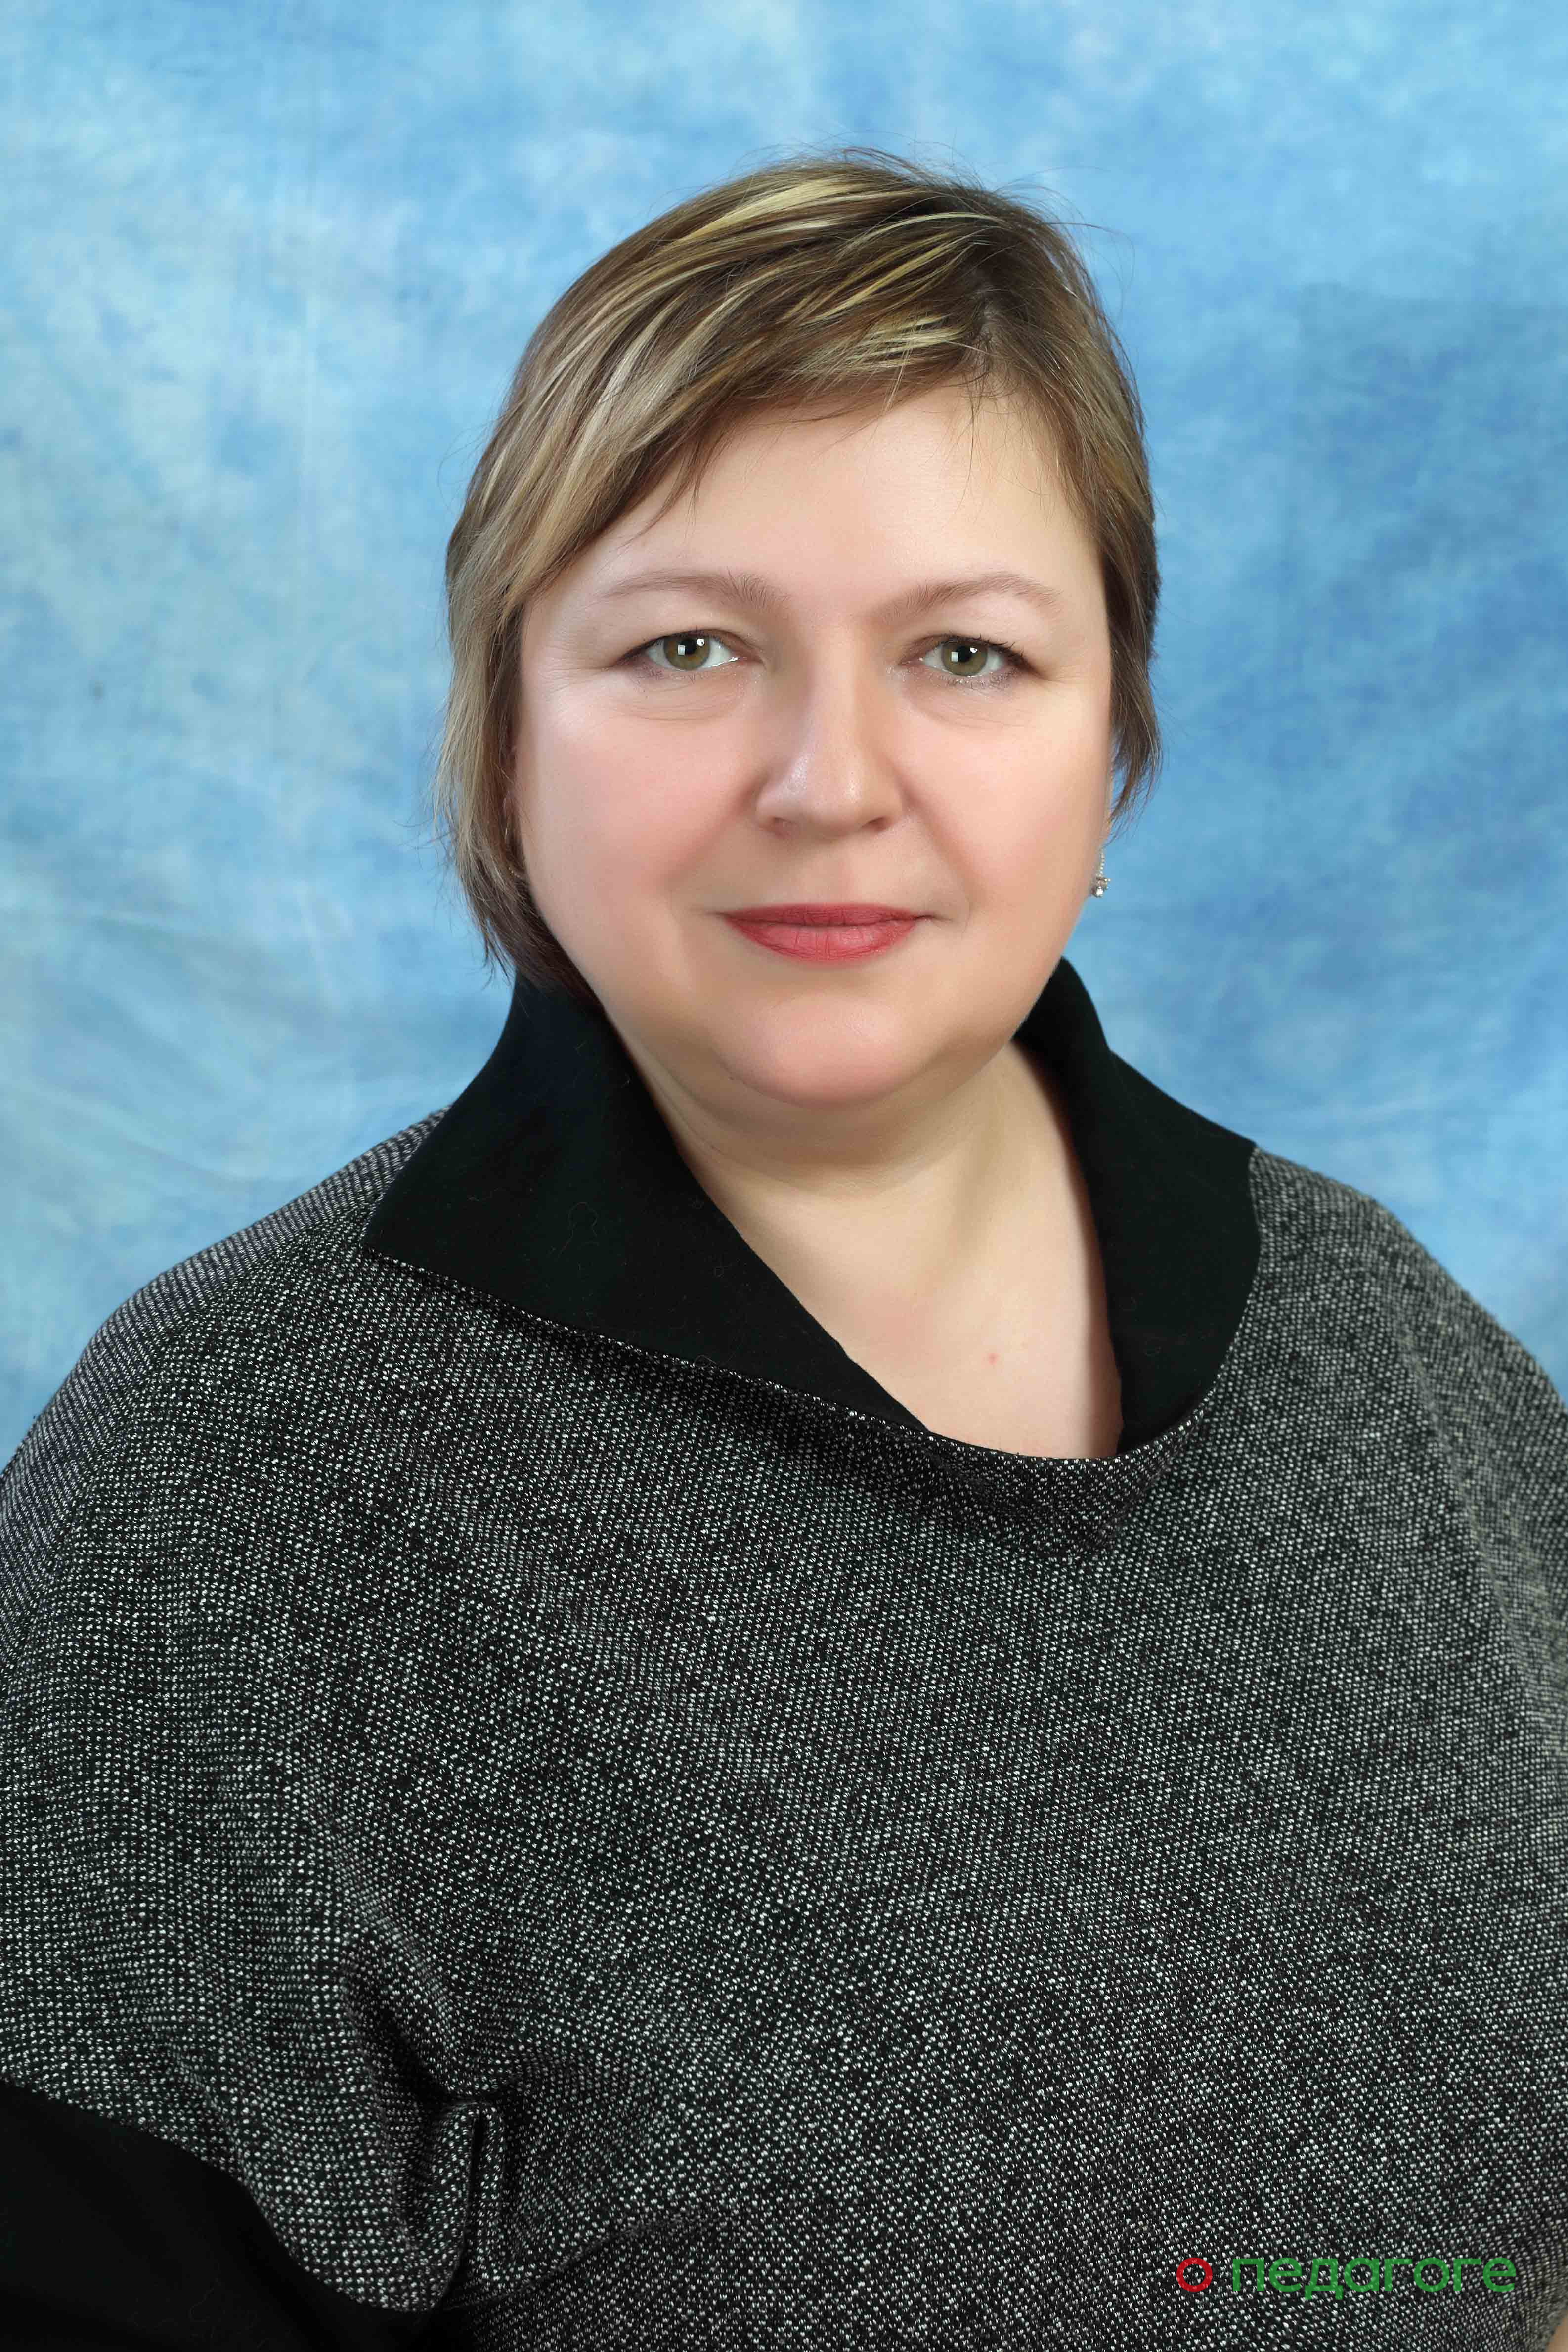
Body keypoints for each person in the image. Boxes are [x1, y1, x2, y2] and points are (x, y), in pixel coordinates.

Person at [3, 144, 1566, 2351]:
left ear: (1108, 750)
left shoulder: (1380, 1340)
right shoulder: (230, 1491)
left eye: (964, 652)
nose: (832, 779)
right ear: (505, 743)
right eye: (687, 646)